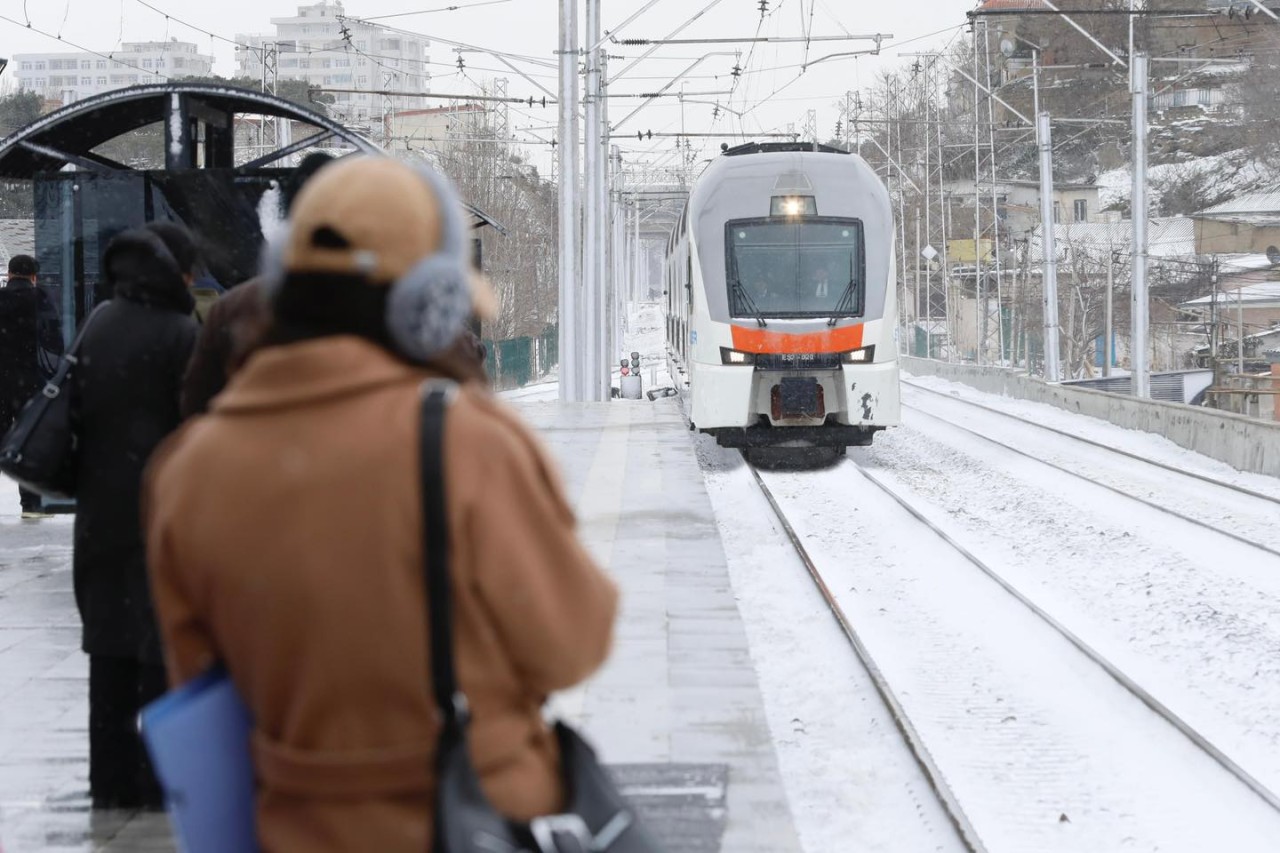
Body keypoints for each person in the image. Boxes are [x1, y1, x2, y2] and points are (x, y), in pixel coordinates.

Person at [144, 156, 617, 851]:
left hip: (297, 830)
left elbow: (206, 687)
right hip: (480, 817)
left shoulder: (185, 472)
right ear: (429, 301)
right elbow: (572, 646)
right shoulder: (471, 442)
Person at [72, 225, 200, 809]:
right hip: (162, 516)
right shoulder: (182, 333)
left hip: (100, 516)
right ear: (179, 273)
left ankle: (109, 782)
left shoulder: (99, 321)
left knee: (107, 650)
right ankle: (155, 784)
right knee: (159, 653)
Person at [0, 254, 63, 517]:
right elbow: (55, 340)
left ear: (10, 274)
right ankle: (31, 503)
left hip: (0, 380)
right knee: (29, 441)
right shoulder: (41, 299)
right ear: (34, 276)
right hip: (30, 380)